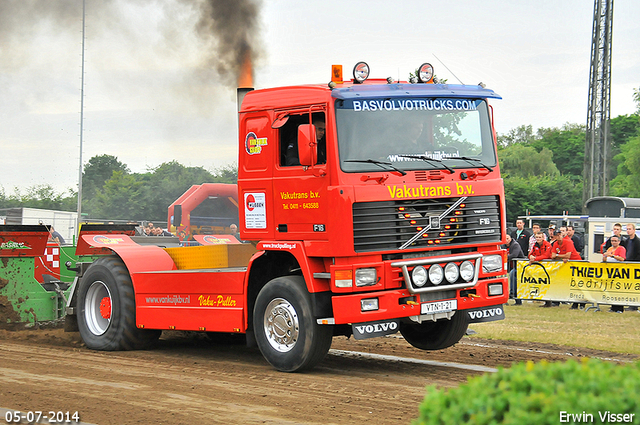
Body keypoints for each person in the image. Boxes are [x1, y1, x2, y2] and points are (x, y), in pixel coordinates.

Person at [504, 234, 525, 305]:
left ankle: (513, 295)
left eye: (507, 238)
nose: (506, 240)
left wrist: (504, 257)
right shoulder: (502, 246)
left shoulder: (515, 245)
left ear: (510, 239)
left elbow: (514, 255)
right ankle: (504, 300)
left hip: (519, 267)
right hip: (508, 266)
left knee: (513, 275)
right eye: (505, 238)